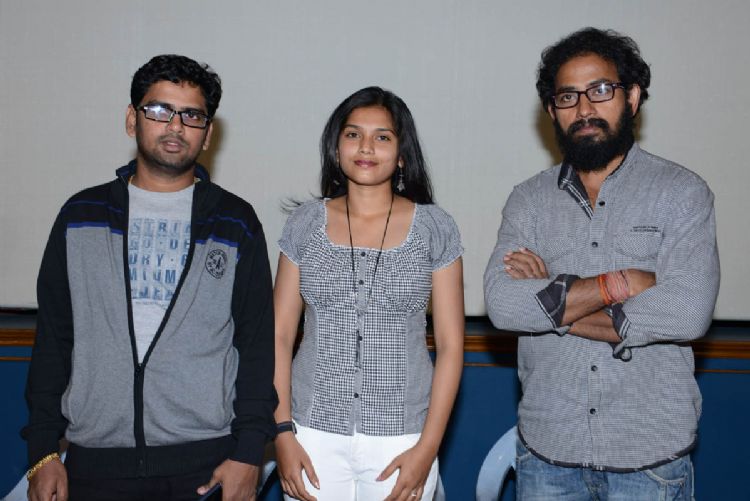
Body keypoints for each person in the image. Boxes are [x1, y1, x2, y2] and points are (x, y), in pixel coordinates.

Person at [21, 54, 277, 501]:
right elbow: (54, 340)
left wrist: (249, 453)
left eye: (192, 115)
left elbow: (255, 345)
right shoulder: (81, 216)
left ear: (207, 134)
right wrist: (43, 452)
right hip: (96, 467)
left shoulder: (234, 221)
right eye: (159, 110)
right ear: (131, 120)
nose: (175, 126)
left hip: (207, 466)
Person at [484, 28, 719, 500]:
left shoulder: (682, 192)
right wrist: (623, 282)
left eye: (601, 90)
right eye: (567, 96)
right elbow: (504, 305)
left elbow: (687, 311)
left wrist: (553, 299)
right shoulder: (528, 200)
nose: (584, 108)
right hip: (548, 454)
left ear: (631, 97)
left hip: (650, 458)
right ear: (551, 110)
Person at [272, 86, 465, 501]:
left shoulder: (435, 227)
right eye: (353, 134)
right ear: (336, 147)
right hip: (311, 431)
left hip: (403, 437)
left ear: (402, 154)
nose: (366, 147)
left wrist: (428, 448)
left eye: (382, 137)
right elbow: (280, 334)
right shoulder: (305, 223)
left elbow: (451, 346)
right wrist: (282, 432)